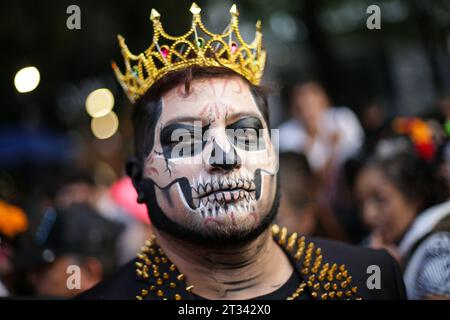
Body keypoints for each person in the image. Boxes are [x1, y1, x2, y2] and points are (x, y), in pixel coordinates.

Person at [77, 3, 405, 300]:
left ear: (273, 154)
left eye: (245, 133)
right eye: (186, 140)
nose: (226, 157)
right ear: (138, 179)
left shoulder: (368, 280)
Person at [355, 120, 450, 299]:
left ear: (415, 195)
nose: (368, 215)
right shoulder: (382, 247)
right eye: (360, 203)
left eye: (381, 200)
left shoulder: (439, 248)